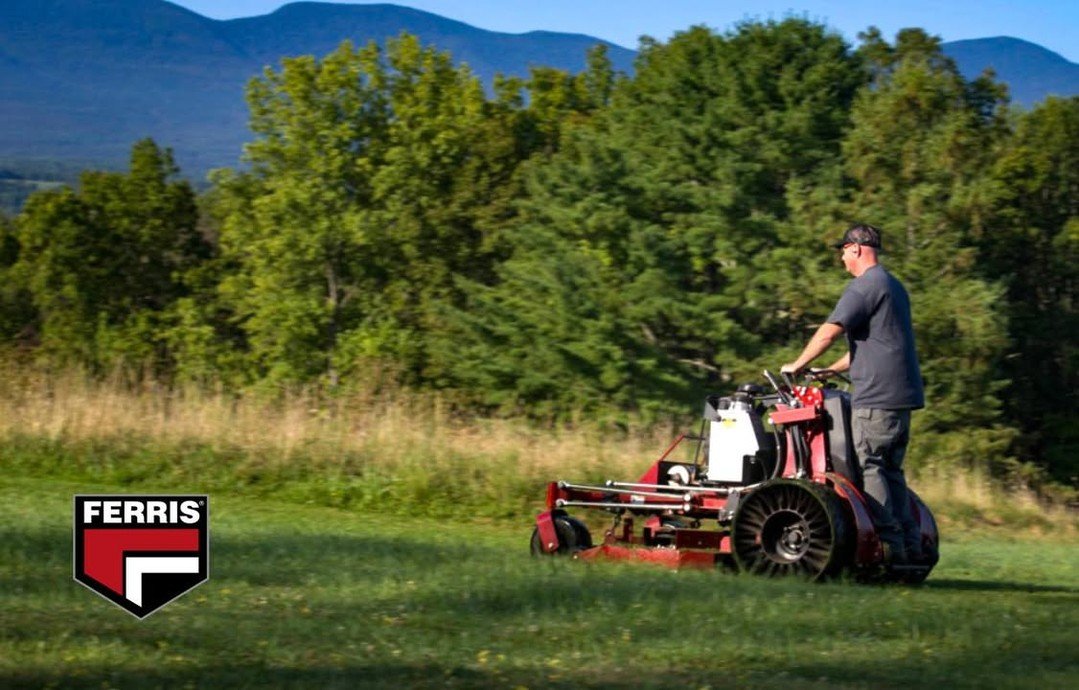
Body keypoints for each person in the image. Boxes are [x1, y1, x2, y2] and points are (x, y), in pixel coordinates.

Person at [781, 223, 925, 564]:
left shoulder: (863, 287)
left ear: (857, 249)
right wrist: (830, 370)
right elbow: (875, 345)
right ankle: (909, 548)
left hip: (875, 399)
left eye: (844, 251)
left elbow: (829, 332)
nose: (843, 258)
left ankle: (887, 549)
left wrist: (797, 364)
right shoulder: (892, 286)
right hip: (900, 399)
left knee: (870, 467)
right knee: (891, 471)